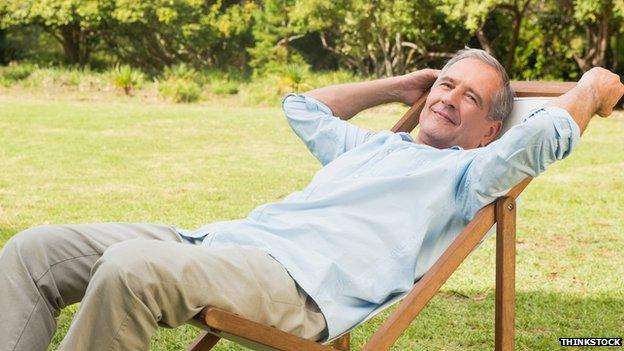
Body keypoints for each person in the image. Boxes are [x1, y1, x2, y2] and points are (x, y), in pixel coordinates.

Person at [0, 49, 622, 351]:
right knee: (33, 251)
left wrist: (590, 87)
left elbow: (543, 137)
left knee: (130, 271)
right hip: (221, 243)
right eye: (445, 84)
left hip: (295, 287)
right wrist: (399, 85)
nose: (448, 98)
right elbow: (302, 106)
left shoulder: (468, 177)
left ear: (490, 129)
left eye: (470, 98)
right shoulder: (374, 148)